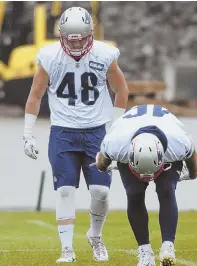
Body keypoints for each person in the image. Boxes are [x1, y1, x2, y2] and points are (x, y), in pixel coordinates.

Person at [23, 7, 129, 263]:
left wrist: (115, 128)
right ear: (62, 35)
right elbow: (35, 95)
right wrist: (28, 133)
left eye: (81, 38)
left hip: (96, 133)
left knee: (101, 193)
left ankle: (95, 236)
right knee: (65, 191)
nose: (77, 43)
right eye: (72, 38)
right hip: (63, 133)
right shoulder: (49, 56)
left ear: (90, 34)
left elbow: (121, 89)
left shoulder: (104, 53)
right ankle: (67, 248)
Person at [93, 104, 197, 266]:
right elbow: (102, 162)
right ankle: (144, 251)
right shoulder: (116, 144)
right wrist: (101, 165)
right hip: (129, 140)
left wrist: (193, 174)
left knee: (166, 189)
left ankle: (168, 245)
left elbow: (193, 158)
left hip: (166, 144)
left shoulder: (177, 143)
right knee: (134, 193)